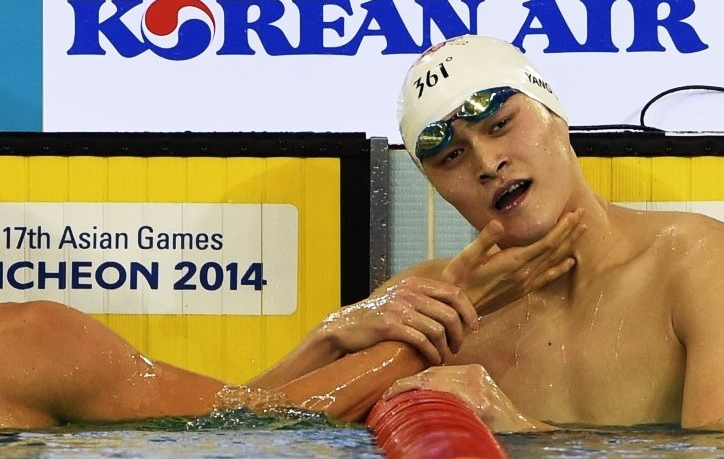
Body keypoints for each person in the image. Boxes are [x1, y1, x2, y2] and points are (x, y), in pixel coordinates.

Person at [354, 34, 724, 433]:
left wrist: (527, 432)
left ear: (557, 116)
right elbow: (284, 424)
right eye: (452, 156)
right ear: (437, 187)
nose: (489, 163)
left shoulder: (697, 263)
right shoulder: (426, 305)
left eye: (500, 125)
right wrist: (332, 333)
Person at [0, 208, 583, 429]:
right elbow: (258, 430)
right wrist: (459, 309)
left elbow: (222, 430)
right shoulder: (31, 345)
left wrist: (325, 343)